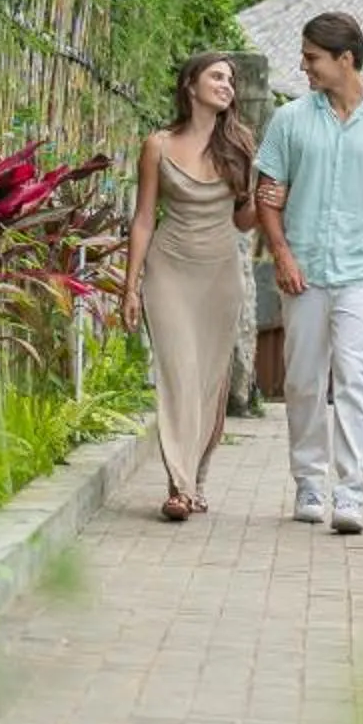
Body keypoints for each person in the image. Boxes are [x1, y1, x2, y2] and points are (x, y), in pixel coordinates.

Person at [252, 12, 363, 535]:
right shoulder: (289, 120)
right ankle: (309, 482)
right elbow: (267, 194)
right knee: (303, 380)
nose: (303, 67)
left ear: (345, 59)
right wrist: (282, 255)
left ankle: (351, 492)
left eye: (312, 58)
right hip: (303, 272)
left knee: (355, 378)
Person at [120, 52, 257, 522]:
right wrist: (130, 286)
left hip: (220, 275)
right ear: (190, 84)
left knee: (210, 379)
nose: (226, 85)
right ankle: (178, 486)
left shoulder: (240, 145)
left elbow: (244, 220)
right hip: (169, 271)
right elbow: (143, 219)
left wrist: (269, 201)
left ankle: (198, 480)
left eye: (231, 80)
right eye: (216, 76)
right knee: (179, 374)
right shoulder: (157, 145)